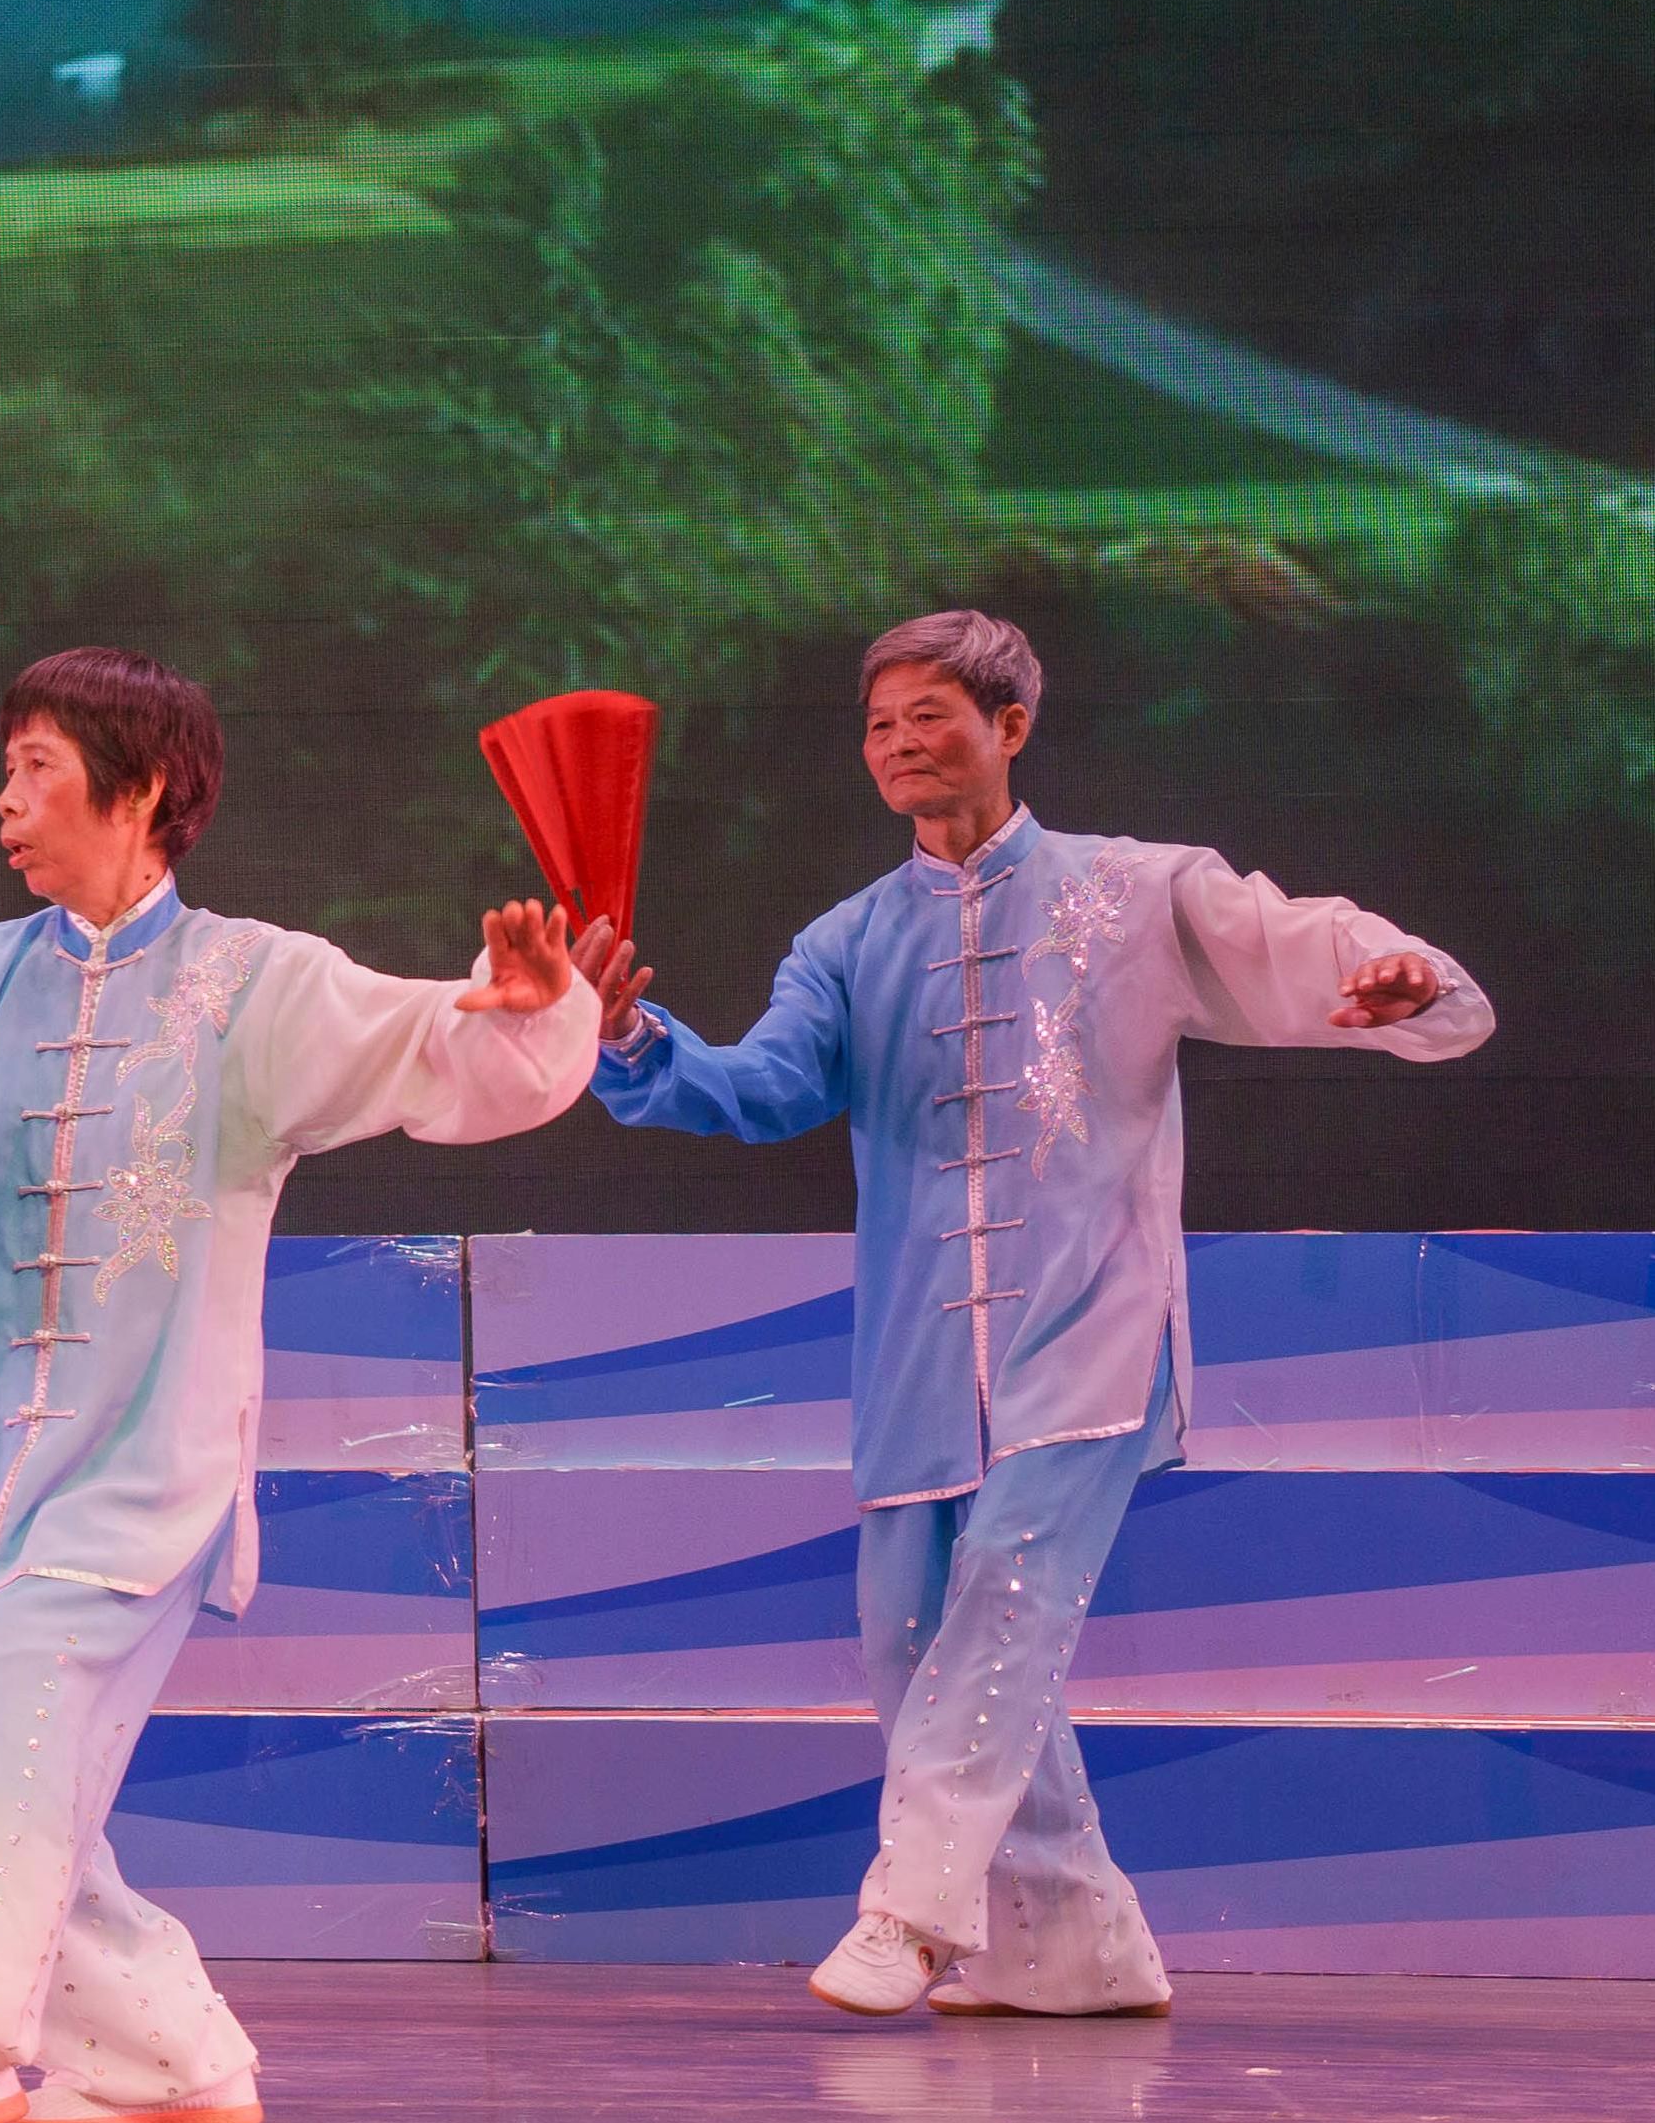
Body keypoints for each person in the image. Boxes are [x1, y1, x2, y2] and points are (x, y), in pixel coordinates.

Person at [0, 647, 609, 2123]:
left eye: (36, 766)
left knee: (22, 1741)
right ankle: (168, 2054)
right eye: (5, 767)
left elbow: (430, 1040)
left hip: (146, 1459)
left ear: (141, 787)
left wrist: (536, 1018)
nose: (5, 800)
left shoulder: (254, 981)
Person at [578, 607, 1487, 2021]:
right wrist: (625, 1035)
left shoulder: (1135, 892)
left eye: (928, 715)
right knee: (909, 1636)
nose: (897, 743)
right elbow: (756, 1089)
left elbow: (1304, 940)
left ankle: (912, 1911)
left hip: (1090, 1324)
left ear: (1008, 725)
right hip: (919, 1353)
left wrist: (1395, 970)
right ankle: (1073, 1951)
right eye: (878, 724)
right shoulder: (844, 942)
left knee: (1005, 1591)